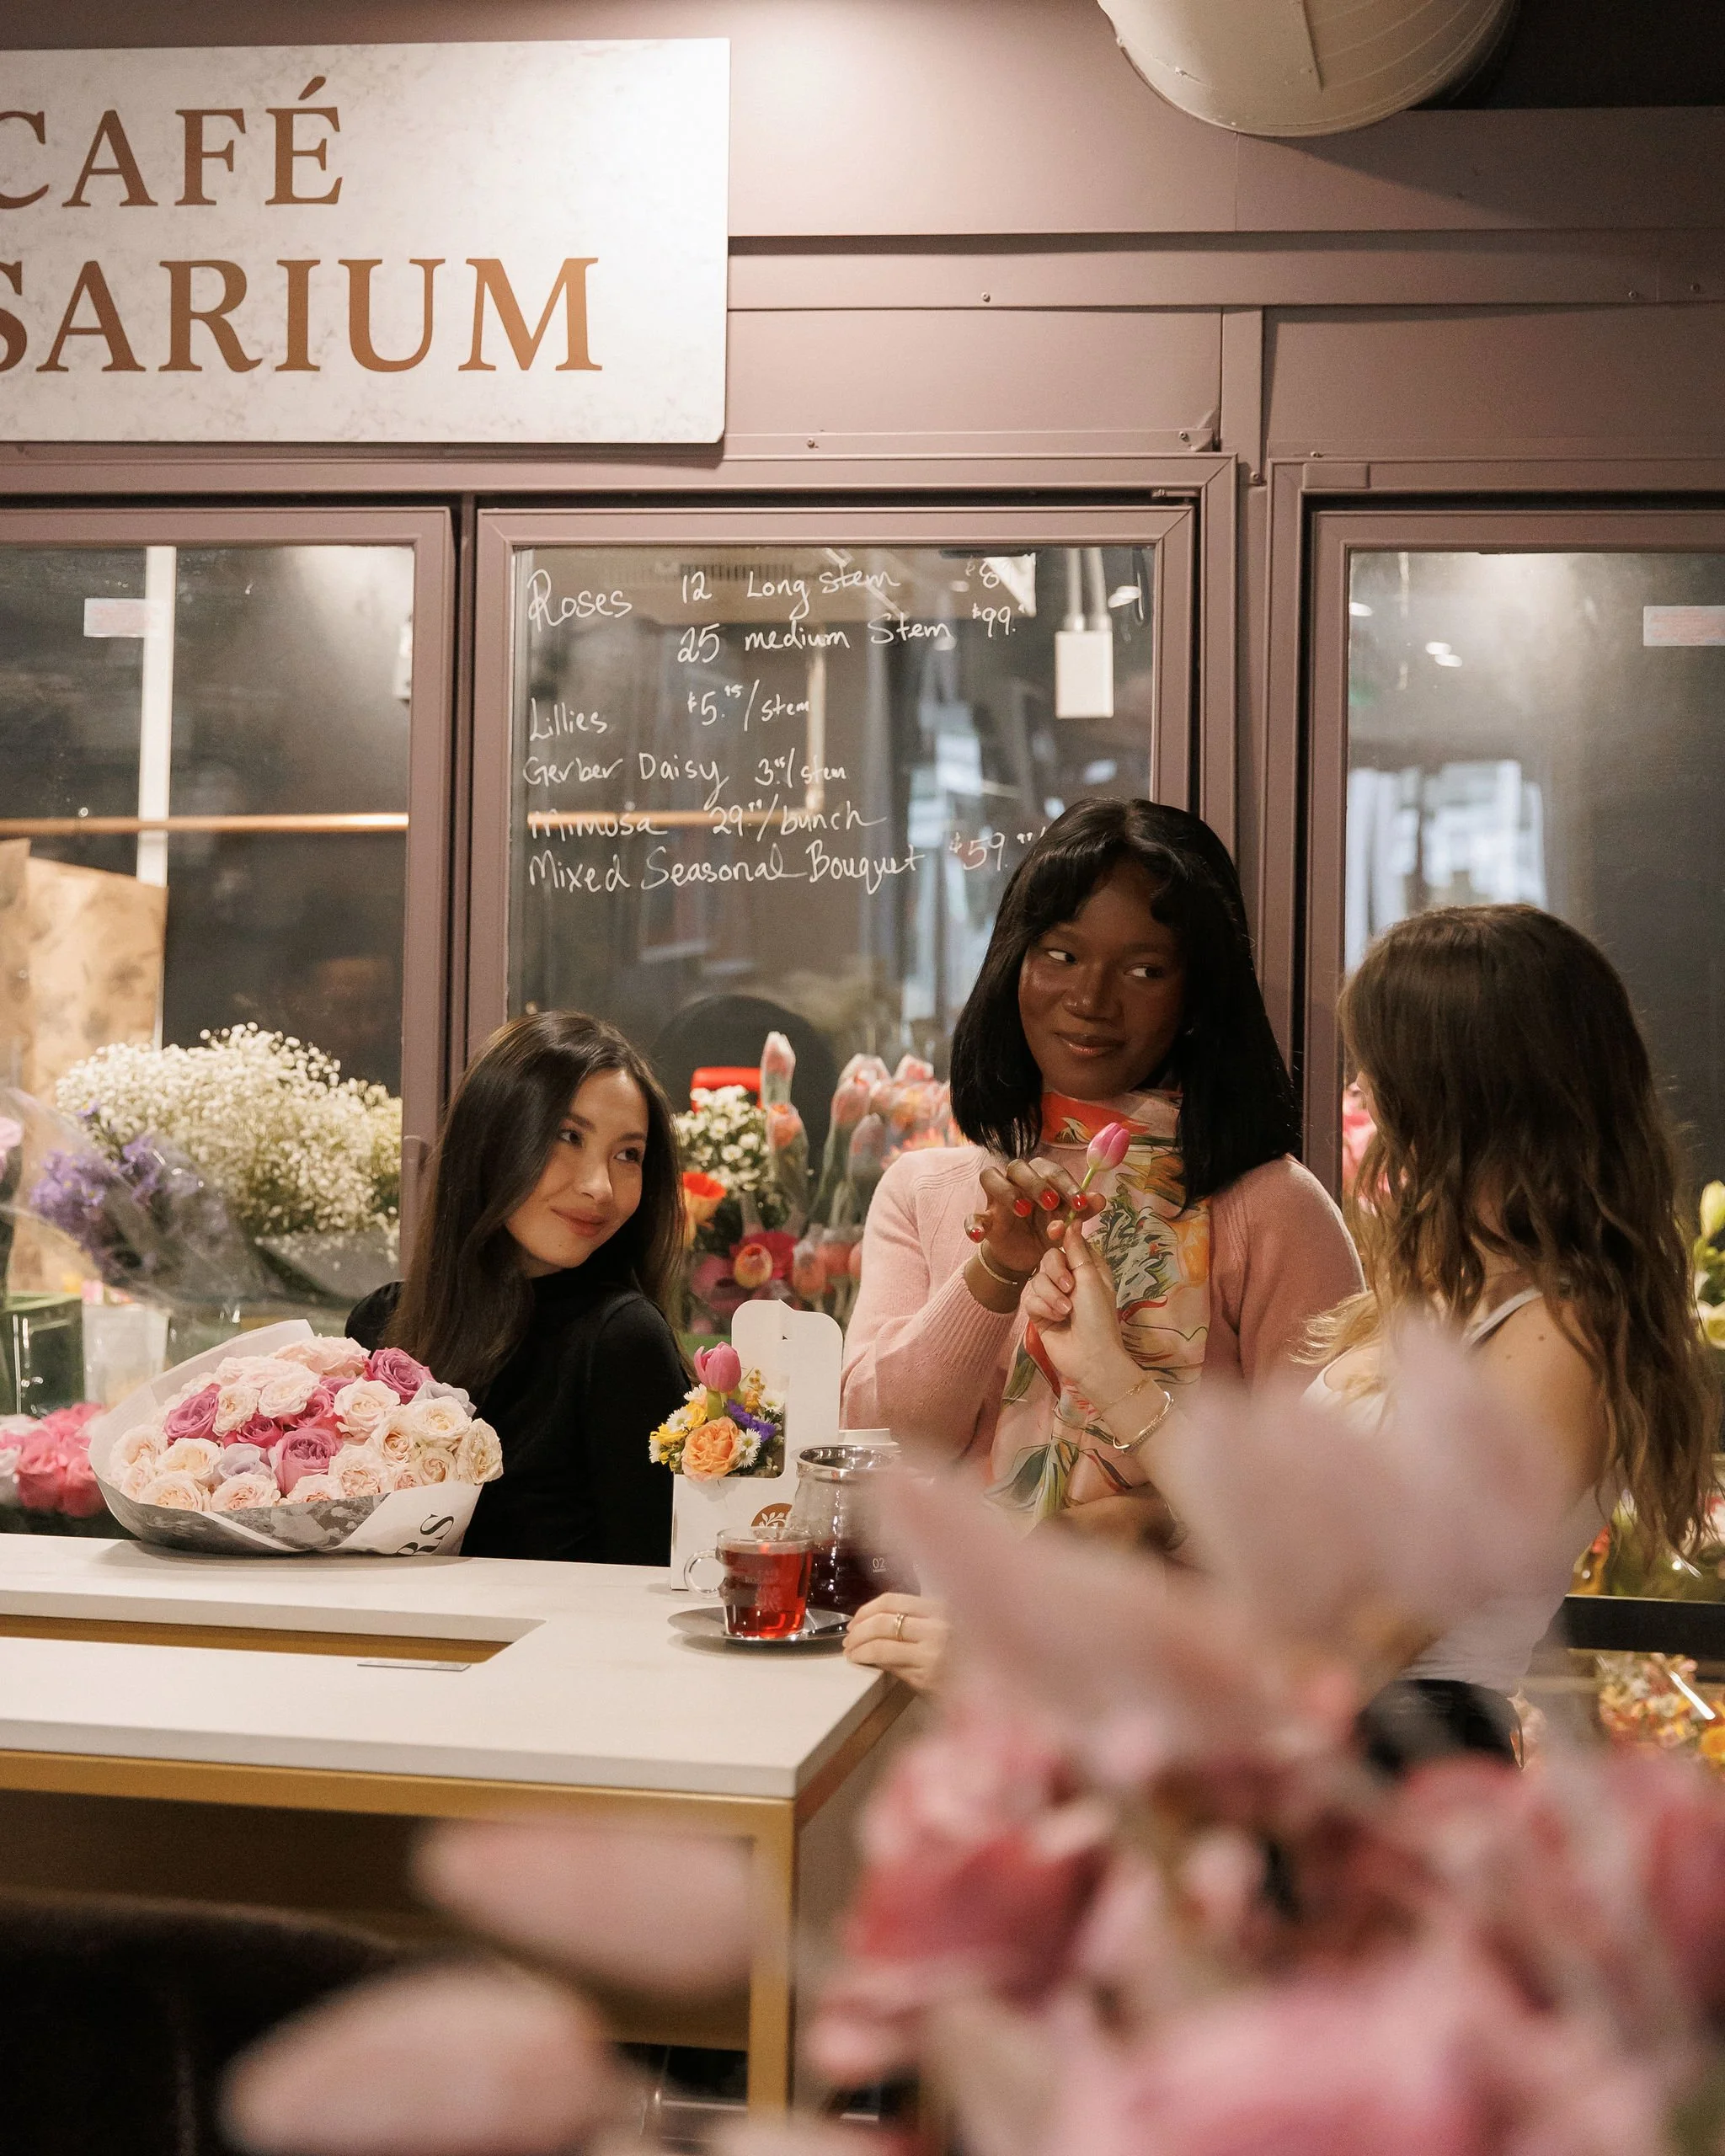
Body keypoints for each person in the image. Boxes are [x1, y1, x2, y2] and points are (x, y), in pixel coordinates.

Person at [1020, 904, 1718, 1765]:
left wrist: (1067, 1655)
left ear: (1458, 1094)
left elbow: (1349, 1646)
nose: (1362, 1103)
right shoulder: (1446, 1295)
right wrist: (1107, 1375)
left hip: (1401, 1773)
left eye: (1373, 1075)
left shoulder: (1561, 1338)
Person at [842, 799, 1363, 1689]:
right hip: (940, 1671)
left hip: (1179, 1707)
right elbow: (885, 1438)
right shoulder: (925, 1191)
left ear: (1197, 996)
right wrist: (996, 1267)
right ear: (1013, 961)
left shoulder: (1271, 1207)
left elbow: (1332, 1515)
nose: (1089, 999)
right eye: (1060, 954)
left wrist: (1157, 1523)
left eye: (1144, 969)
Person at [349, 1011, 686, 1565]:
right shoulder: (379, 1327)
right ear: (489, 1137)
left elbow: (650, 1594)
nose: (600, 1187)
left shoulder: (620, 1342)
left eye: (629, 1154)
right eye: (569, 1136)